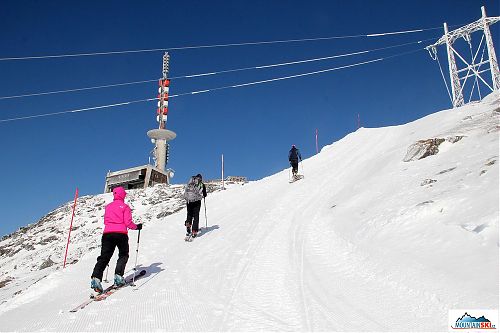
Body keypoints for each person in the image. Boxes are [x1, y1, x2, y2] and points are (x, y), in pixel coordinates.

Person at [90, 186, 142, 293]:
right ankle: (118, 276)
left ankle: (96, 278)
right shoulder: (125, 207)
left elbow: (106, 221)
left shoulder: (108, 207)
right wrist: (137, 227)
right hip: (121, 234)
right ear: (123, 195)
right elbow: (128, 223)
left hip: (107, 234)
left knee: (104, 257)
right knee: (123, 254)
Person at [183, 174, 207, 238]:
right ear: (201, 178)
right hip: (197, 202)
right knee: (196, 216)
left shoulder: (191, 182)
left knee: (189, 214)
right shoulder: (202, 184)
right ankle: (194, 231)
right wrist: (203, 195)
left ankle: (188, 224)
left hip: (189, 201)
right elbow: (205, 194)